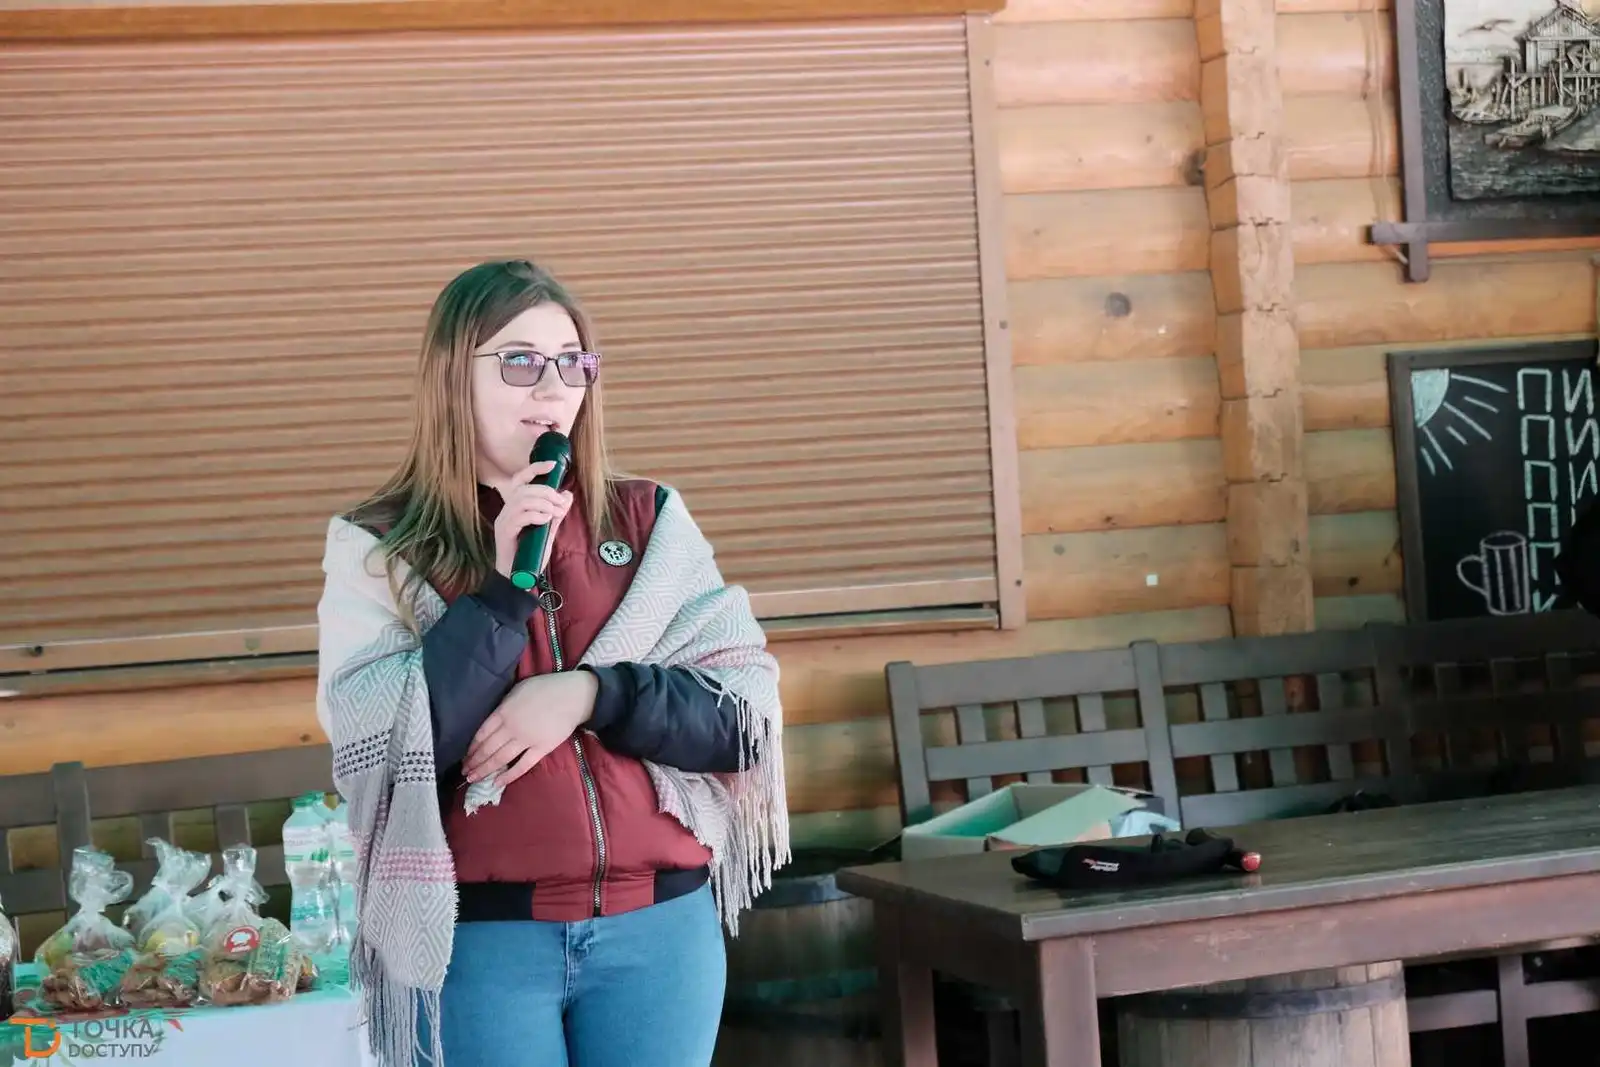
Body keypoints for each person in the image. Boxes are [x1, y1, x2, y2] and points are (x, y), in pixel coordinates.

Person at [313, 260, 790, 1067]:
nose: (552, 387)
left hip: (660, 934)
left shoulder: (648, 520)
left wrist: (592, 694)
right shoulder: (379, 546)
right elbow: (388, 751)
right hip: (480, 946)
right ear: (451, 377)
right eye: (520, 361)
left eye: (572, 362)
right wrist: (501, 594)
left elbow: (743, 722)